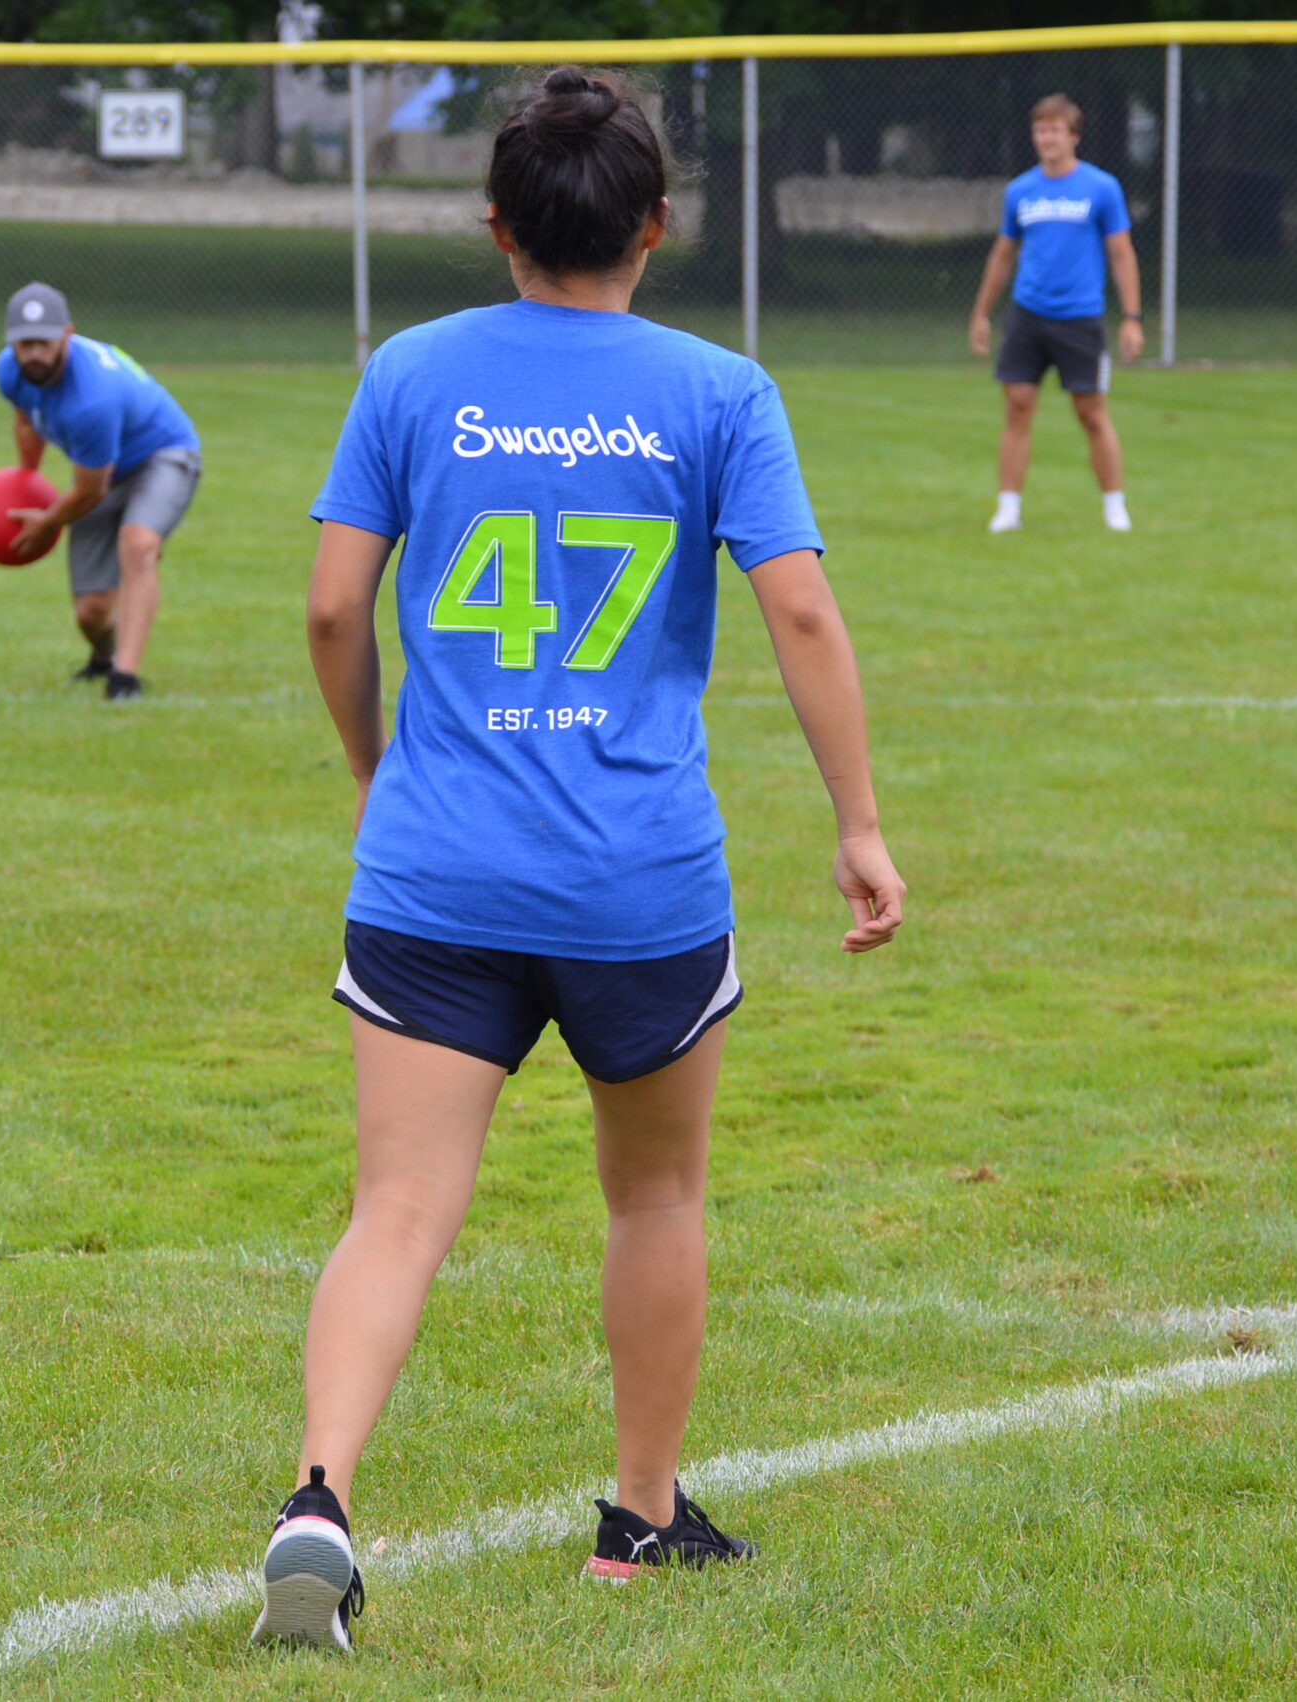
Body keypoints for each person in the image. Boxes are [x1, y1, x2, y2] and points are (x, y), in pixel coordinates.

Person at [256, 66, 907, 1653]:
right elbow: (802, 608)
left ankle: (320, 1498)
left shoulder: (410, 371)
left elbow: (337, 609)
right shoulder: (717, 390)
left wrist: (375, 768)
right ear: (656, 225)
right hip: (638, 878)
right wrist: (859, 821)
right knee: (656, 1188)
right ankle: (640, 1513)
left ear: (497, 227)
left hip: (436, 870)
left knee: (396, 1207)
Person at [0, 284, 202, 701]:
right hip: (103, 469)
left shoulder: (91, 399)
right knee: (91, 613)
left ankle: (125, 679)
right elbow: (27, 424)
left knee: (137, 544)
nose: (33, 353)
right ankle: (105, 658)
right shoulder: (8, 371)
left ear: (67, 334)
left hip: (163, 454)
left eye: (44, 342)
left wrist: (48, 521)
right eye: (24, 343)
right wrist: (25, 484)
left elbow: (89, 492)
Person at [967, 93, 1143, 534]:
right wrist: (982, 313)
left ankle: (1114, 506)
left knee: (1090, 411)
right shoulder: (1021, 191)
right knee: (1017, 406)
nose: (1046, 138)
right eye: (1039, 130)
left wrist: (1132, 316)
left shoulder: (1101, 188)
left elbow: (1121, 254)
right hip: (1028, 315)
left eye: (1054, 130)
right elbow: (1004, 254)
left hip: (1080, 316)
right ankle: (1008, 508)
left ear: (1074, 137)